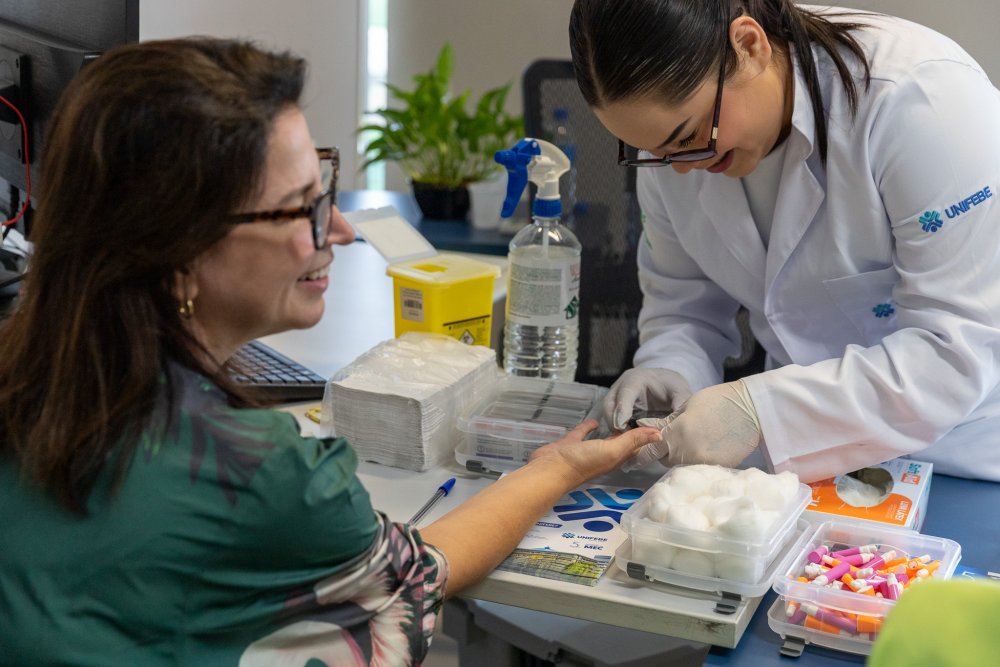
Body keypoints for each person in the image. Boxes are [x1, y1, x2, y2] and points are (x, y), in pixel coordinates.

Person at [0, 38, 660, 665]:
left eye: (327, 191)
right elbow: (421, 573)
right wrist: (560, 468)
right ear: (176, 250)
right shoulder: (257, 471)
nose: (340, 229)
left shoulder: (31, 377)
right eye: (302, 208)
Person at [569, 0, 1000, 482]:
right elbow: (684, 309)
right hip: (804, 466)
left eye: (688, 136)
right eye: (653, 150)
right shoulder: (676, 156)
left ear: (749, 45)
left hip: (963, 456)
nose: (683, 167)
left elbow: (954, 354)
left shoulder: (922, 103)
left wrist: (759, 412)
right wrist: (672, 371)